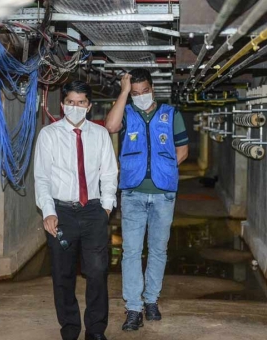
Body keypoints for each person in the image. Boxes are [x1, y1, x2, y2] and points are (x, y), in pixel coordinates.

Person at [105, 68, 189, 331]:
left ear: (153, 89)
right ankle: (133, 308)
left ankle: (151, 300)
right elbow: (110, 126)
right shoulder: (127, 113)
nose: (140, 96)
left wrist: (164, 172)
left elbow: (182, 149)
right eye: (136, 93)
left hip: (163, 194)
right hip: (132, 193)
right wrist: (124, 91)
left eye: (144, 92)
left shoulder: (171, 114)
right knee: (130, 252)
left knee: (158, 249)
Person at [34, 80, 118, 340]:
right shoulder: (49, 135)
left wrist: (105, 207)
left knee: (96, 272)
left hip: (93, 210)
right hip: (61, 213)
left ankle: (95, 331)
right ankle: (69, 330)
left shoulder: (100, 134)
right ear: (62, 104)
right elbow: (42, 178)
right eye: (70, 102)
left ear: (89, 106)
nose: (75, 107)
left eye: (81, 103)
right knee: (63, 275)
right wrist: (48, 211)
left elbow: (109, 173)